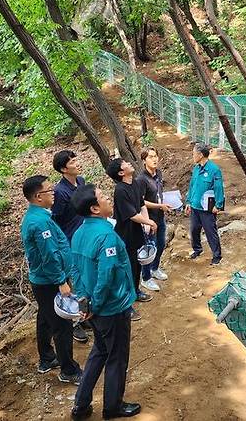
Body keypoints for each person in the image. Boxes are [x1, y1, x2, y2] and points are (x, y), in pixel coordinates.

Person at [69, 184, 141, 420]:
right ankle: (112, 407)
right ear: (95, 208)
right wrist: (96, 305)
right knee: (116, 357)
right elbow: (107, 275)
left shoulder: (79, 233)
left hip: (94, 308)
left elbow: (75, 269)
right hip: (111, 308)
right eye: (102, 197)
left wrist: (84, 304)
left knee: (99, 351)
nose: (108, 198)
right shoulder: (106, 235)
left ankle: (81, 405)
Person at [19, 175, 83, 385]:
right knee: (62, 325)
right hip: (49, 282)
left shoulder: (39, 216)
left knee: (45, 317)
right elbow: (49, 255)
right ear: (38, 197)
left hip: (44, 280)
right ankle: (68, 370)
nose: (53, 193)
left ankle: (46, 358)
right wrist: (61, 281)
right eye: (49, 190)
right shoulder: (39, 223)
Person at [105, 158, 158, 321]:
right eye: (125, 164)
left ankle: (136, 292)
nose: (128, 163)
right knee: (126, 270)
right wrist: (148, 222)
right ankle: (126, 305)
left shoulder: (134, 183)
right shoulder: (120, 190)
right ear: (121, 173)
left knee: (136, 266)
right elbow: (132, 215)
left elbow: (141, 205)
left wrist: (147, 223)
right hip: (124, 236)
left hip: (137, 233)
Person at [50, 150, 89, 344]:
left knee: (84, 276)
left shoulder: (81, 181)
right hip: (70, 241)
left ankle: (85, 313)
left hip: (85, 238)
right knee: (73, 279)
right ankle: (75, 322)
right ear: (64, 168)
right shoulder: (60, 191)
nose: (77, 163)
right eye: (72, 162)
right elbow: (56, 220)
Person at [135, 147, 172, 292]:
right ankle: (145, 278)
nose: (154, 159)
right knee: (150, 248)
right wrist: (159, 205)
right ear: (144, 160)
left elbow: (159, 193)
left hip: (160, 217)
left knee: (161, 244)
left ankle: (155, 269)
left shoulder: (159, 174)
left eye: (155, 156)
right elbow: (141, 201)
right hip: (148, 219)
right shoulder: (141, 179)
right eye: (150, 157)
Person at [184, 143, 225, 266]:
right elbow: (192, 186)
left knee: (210, 231)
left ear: (201, 155)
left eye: (194, 154)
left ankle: (217, 255)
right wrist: (188, 202)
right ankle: (197, 249)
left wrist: (218, 205)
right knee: (194, 230)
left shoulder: (214, 170)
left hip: (207, 208)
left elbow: (218, 188)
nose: (193, 156)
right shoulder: (196, 169)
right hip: (195, 206)